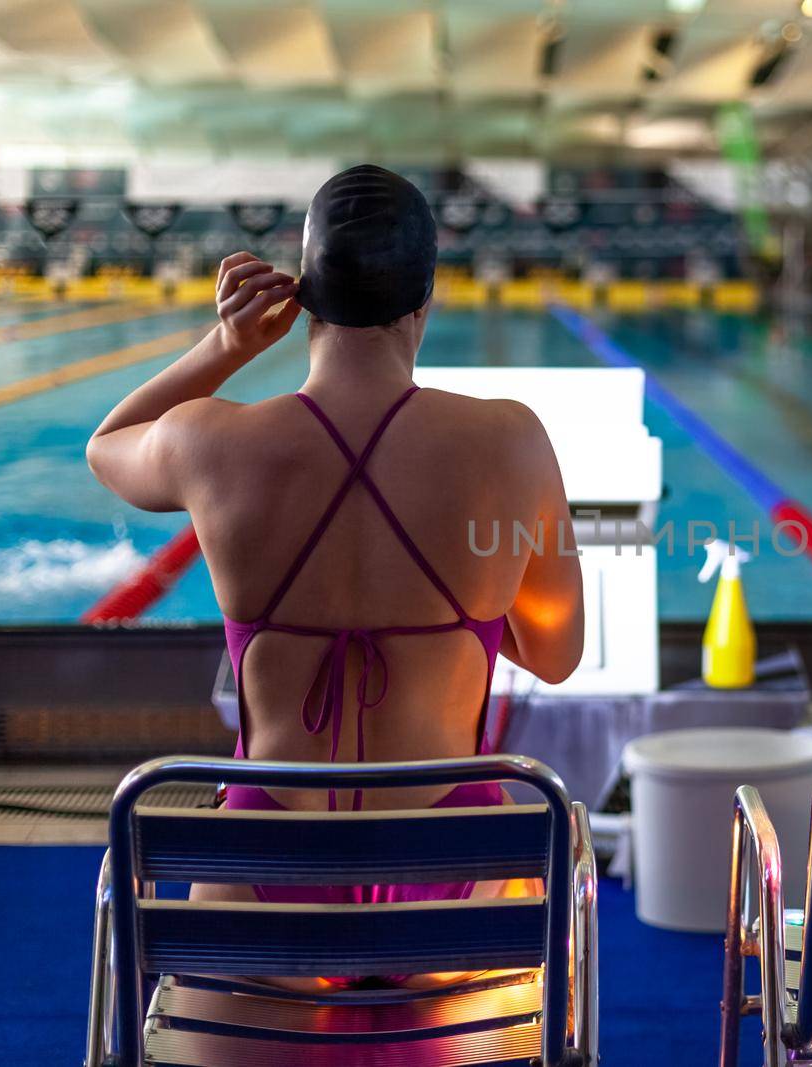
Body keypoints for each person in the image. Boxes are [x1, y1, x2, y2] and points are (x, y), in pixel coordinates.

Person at [87, 165, 585, 987]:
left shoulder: (212, 443)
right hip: (451, 866)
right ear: (426, 300)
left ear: (305, 296)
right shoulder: (510, 442)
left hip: (261, 865)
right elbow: (557, 654)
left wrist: (226, 347)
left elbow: (109, 445)